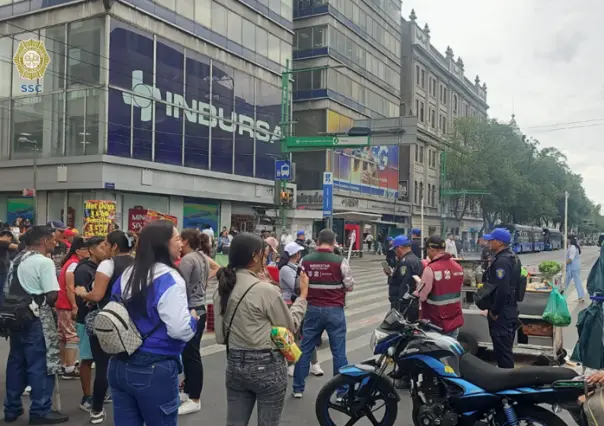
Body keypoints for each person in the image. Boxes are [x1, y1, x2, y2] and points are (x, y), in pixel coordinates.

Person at [107, 220, 198, 426]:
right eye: (176, 239)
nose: (181, 244)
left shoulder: (128, 274)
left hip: (119, 363)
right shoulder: (169, 278)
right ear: (163, 244)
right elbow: (179, 330)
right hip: (154, 367)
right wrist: (192, 320)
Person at [214, 233, 308, 426]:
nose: (266, 259)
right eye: (265, 255)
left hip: (234, 363)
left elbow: (220, 336)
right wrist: (303, 297)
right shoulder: (265, 290)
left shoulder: (222, 288)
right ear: (256, 256)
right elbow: (290, 327)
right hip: (267, 365)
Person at [3, 226, 69, 424]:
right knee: (39, 365)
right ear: (44, 241)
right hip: (35, 318)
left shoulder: (18, 258)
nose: (55, 243)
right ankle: (40, 410)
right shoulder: (44, 262)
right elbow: (52, 295)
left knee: (16, 363)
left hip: (15, 317)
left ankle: (12, 407)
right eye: (52, 240)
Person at [75, 230, 135, 423]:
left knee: (103, 366)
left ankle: (97, 410)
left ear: (115, 247)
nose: (105, 248)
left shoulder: (108, 264)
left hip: (108, 321)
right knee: (131, 363)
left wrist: (83, 293)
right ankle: (132, 406)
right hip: (133, 321)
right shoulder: (139, 264)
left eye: (107, 244)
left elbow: (97, 295)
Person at [293, 228, 354, 399]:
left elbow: (300, 284)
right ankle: (342, 392)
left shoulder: (305, 260)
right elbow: (349, 285)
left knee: (305, 348)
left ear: (318, 242)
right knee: (339, 352)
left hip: (312, 309)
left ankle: (298, 388)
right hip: (335, 310)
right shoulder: (340, 260)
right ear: (334, 242)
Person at [178, 229, 220, 415]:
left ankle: (194, 397)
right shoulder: (202, 257)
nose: (178, 243)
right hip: (200, 308)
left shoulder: (188, 260)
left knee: (191, 354)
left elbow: (180, 287)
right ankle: (188, 392)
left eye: (179, 239)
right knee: (190, 353)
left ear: (185, 241)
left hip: (191, 309)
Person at [279, 242, 323, 378]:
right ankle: (291, 364)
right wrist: (305, 278)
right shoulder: (286, 269)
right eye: (299, 253)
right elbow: (297, 286)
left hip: (301, 302)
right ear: (296, 254)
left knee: (308, 334)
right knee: (292, 336)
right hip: (290, 304)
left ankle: (314, 364)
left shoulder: (297, 267)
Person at [73, 237, 107, 413]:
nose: (105, 250)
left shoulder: (104, 267)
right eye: (102, 247)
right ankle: (86, 397)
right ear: (91, 250)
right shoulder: (84, 270)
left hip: (102, 320)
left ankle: (100, 392)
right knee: (87, 358)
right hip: (86, 319)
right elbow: (82, 297)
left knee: (102, 358)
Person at [483, 228, 521, 369]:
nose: (488, 243)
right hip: (510, 308)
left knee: (503, 352)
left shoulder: (502, 261)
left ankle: (507, 384)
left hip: (503, 312)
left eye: (491, 240)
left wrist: (495, 311)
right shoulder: (512, 257)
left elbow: (502, 290)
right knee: (505, 349)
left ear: (499, 242)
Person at [415, 236, 464, 338]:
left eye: (427, 251)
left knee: (433, 353)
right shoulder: (458, 267)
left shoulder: (431, 269)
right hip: (454, 321)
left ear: (431, 249)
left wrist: (417, 288)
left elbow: (422, 296)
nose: (427, 253)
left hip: (435, 323)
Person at [56, 237, 89, 381]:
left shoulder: (70, 263)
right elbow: (70, 287)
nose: (88, 252)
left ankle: (63, 364)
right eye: (85, 249)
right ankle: (69, 368)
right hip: (67, 304)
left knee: (63, 336)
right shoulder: (74, 264)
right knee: (72, 336)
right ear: (78, 251)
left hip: (61, 303)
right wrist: (74, 305)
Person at [384, 235, 423, 320]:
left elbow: (405, 285)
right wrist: (391, 275)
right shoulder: (415, 259)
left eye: (395, 249)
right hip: (411, 302)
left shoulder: (405, 262)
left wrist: (400, 304)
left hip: (405, 304)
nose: (395, 252)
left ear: (399, 248)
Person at [566, 236, 584, 302]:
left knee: (576, 281)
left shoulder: (573, 247)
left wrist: (564, 264)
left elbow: (571, 258)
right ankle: (560, 294)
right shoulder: (572, 247)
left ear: (570, 240)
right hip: (573, 267)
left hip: (573, 267)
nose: (567, 240)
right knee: (566, 281)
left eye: (567, 239)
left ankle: (581, 296)